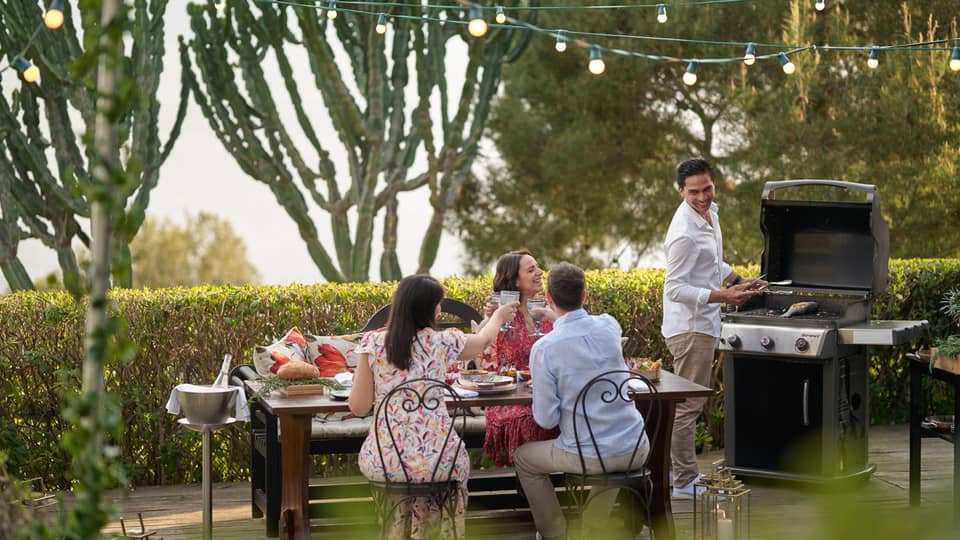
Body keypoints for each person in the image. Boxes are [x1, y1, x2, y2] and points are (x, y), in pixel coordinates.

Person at [349, 274, 518, 539]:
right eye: (438, 304)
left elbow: (358, 407)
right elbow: (483, 342)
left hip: (388, 461)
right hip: (440, 462)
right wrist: (498, 316)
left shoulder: (372, 343)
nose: (440, 309)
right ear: (431, 309)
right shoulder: (443, 342)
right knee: (448, 472)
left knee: (398, 485)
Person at [514, 262, 649, 540]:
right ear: (585, 295)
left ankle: (555, 534)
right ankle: (592, 530)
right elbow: (579, 326)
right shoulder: (609, 325)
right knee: (602, 453)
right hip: (636, 446)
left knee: (524, 459)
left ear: (549, 298)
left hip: (592, 457)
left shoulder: (545, 348)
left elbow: (547, 419)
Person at [661, 158, 765, 499]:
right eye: (694, 192)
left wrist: (737, 280)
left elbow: (710, 261)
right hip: (690, 328)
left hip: (704, 323)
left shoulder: (710, 213)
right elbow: (674, 288)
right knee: (688, 406)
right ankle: (684, 483)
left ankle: (683, 478)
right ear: (680, 191)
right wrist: (724, 295)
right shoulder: (683, 234)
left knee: (689, 404)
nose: (702, 196)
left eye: (707, 188)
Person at [476, 250, 559, 466]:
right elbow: (481, 351)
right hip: (510, 396)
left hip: (548, 392)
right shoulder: (502, 313)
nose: (540, 272)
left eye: (538, 267)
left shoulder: (547, 306)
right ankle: (530, 486)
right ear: (514, 280)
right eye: (531, 270)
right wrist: (489, 318)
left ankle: (556, 482)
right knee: (526, 420)